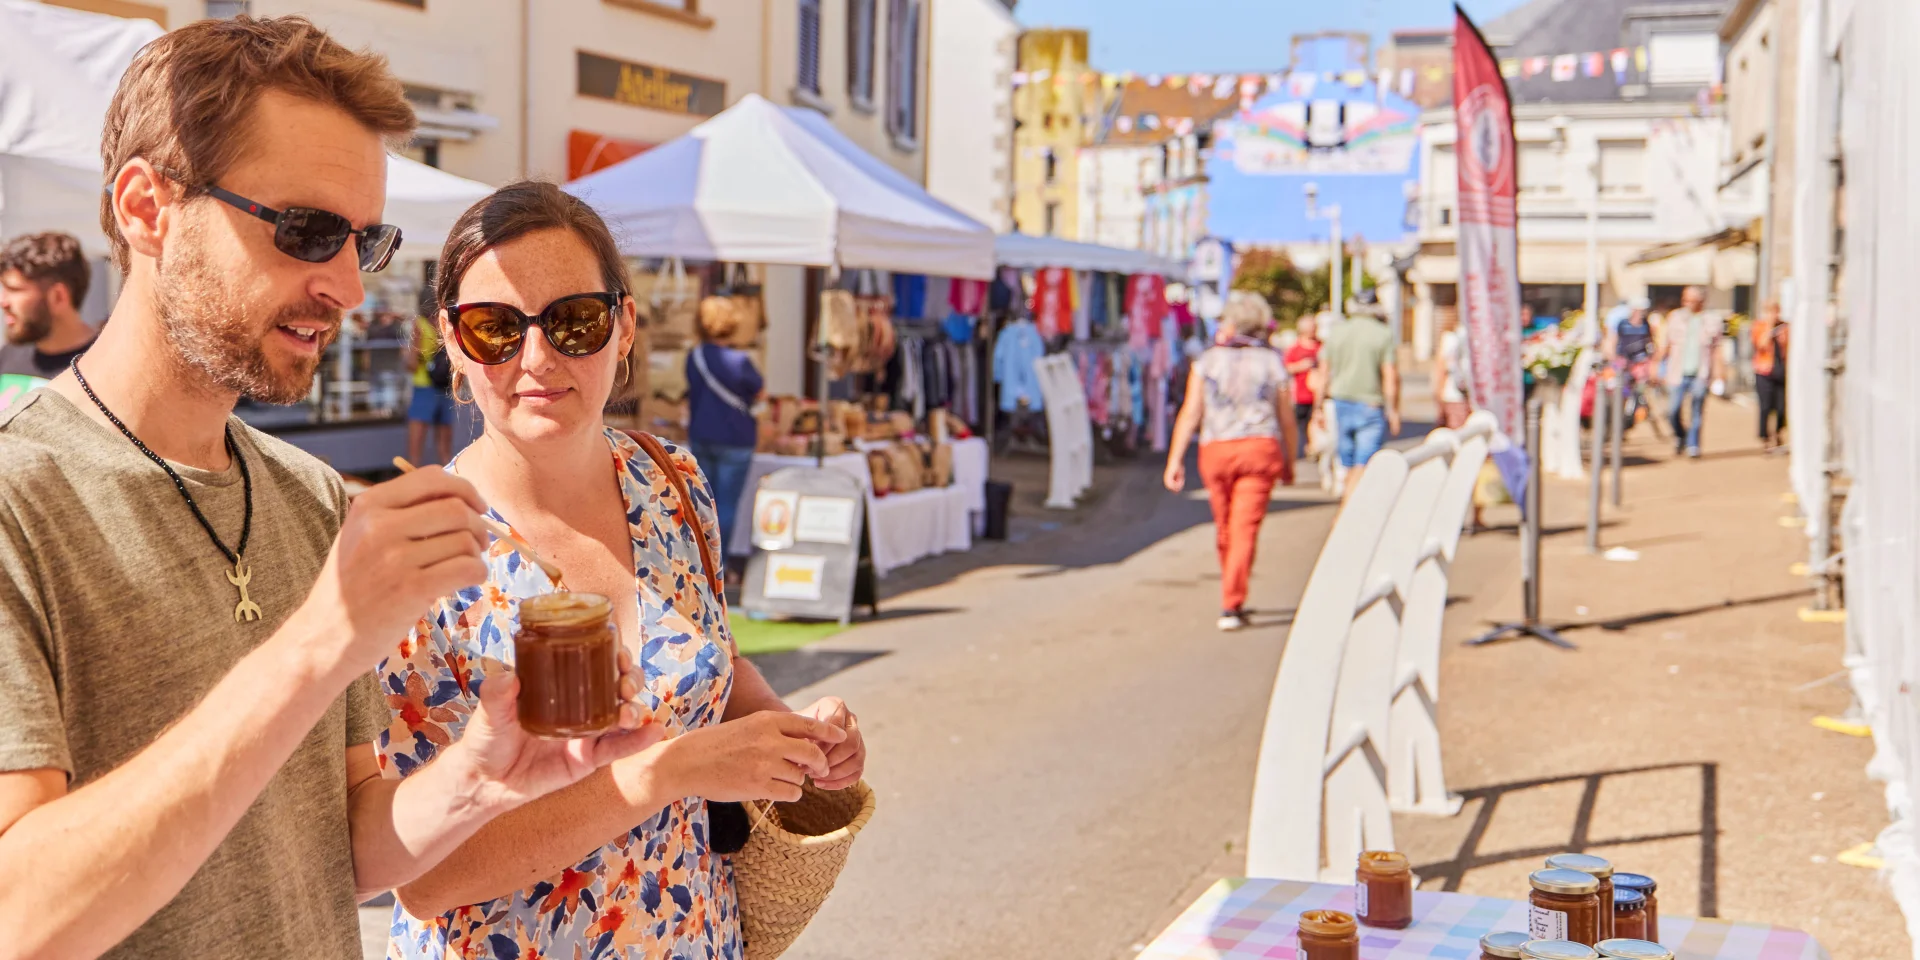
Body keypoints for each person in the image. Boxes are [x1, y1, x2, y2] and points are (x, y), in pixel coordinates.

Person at [0, 19, 658, 960]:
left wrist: (488, 771)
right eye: (307, 232)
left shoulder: (306, 494)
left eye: (365, 240)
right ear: (147, 208)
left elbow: (343, 845)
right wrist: (318, 641)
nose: (348, 286)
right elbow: (20, 918)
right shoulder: (18, 497)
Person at [377, 181, 863, 958]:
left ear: (624, 325)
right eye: (496, 328)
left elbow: (716, 663)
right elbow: (425, 877)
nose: (536, 358)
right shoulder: (421, 546)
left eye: (574, 321)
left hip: (697, 935)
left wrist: (796, 740)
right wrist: (667, 773)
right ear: (453, 341)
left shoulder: (669, 478)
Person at [1164, 291, 1297, 632]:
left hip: (1217, 449)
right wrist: (1290, 459)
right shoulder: (1271, 362)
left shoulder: (1208, 361)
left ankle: (1231, 594)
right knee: (1243, 529)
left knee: (1225, 526)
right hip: (1259, 448)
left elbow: (1191, 411)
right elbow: (1286, 419)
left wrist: (1175, 458)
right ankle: (1232, 599)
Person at [685, 296, 765, 561]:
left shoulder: (694, 357)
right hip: (735, 438)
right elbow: (760, 393)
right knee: (727, 505)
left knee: (702, 504)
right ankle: (720, 563)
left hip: (701, 434)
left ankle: (701, 561)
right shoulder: (740, 361)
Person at [0, 232, 99, 411]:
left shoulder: (102, 364)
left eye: (14, 290)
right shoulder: (8, 355)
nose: (3, 302)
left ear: (58, 297)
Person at [1320, 288, 1400, 499]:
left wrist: (1317, 407)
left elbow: (1324, 372)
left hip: (1340, 400)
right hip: (1370, 403)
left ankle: (1348, 504)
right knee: (1363, 462)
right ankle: (1347, 511)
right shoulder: (1383, 333)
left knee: (1347, 461)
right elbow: (1390, 375)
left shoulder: (1337, 331)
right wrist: (1393, 409)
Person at [1657, 285, 1722, 458]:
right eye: (1686, 300)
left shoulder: (1712, 320)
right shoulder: (1675, 318)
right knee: (1672, 410)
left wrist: (1718, 373)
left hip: (1701, 372)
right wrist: (1656, 366)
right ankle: (1680, 435)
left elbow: (1717, 350)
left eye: (1692, 300)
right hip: (1677, 371)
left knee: (1697, 410)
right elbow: (1666, 344)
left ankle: (1693, 445)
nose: (1688, 303)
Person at [405, 312, 456, 464]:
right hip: (445, 384)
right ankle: (447, 482)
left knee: (415, 448)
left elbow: (412, 364)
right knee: (445, 449)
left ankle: (413, 481)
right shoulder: (447, 323)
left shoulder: (419, 324)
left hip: (424, 385)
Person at [1751, 299, 1789, 451]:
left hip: (1780, 370)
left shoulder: (1785, 327)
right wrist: (1770, 327)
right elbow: (1760, 344)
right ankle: (1764, 436)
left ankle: (1779, 432)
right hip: (1764, 370)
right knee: (1765, 406)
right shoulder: (1759, 326)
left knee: (1780, 407)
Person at [1282, 312, 1321, 456]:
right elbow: (1286, 368)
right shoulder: (1295, 348)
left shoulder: (1321, 346)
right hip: (1300, 395)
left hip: (1317, 393)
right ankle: (1301, 449)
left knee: (1315, 423)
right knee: (1301, 425)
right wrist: (1301, 366)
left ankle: (1313, 448)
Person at [1432, 311, 1471, 430]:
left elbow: (1441, 369)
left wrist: (1438, 394)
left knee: (1455, 433)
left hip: (1452, 394)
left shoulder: (1449, 338)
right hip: (1466, 393)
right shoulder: (1470, 335)